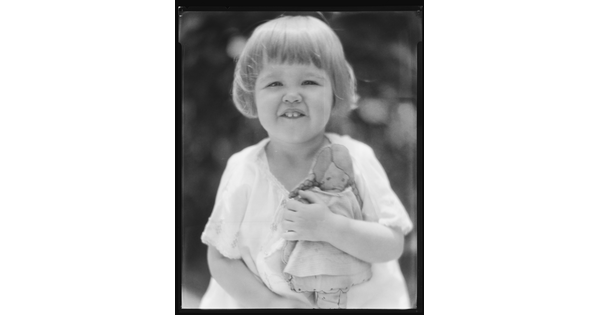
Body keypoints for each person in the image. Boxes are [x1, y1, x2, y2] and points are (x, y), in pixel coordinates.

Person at [199, 15, 414, 309]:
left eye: (309, 81)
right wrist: (270, 303)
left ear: (335, 90)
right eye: (274, 82)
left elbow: (392, 242)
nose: (291, 95)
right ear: (253, 94)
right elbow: (221, 258)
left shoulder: (355, 158)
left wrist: (331, 227)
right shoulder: (243, 169)